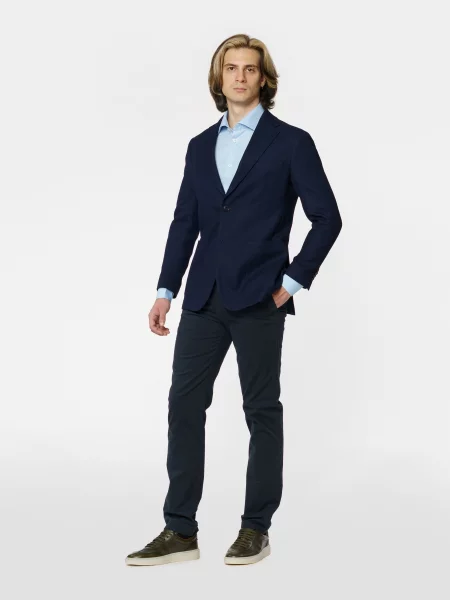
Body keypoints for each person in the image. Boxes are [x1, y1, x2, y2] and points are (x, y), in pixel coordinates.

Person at [126, 33, 342, 567]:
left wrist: (291, 283)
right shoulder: (200, 145)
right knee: (183, 406)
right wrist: (165, 290)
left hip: (260, 299)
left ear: (264, 79)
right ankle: (180, 530)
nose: (240, 77)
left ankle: (255, 528)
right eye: (231, 68)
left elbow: (327, 218)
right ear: (218, 79)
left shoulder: (291, 142)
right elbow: (185, 222)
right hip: (203, 297)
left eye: (249, 69)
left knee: (260, 410)